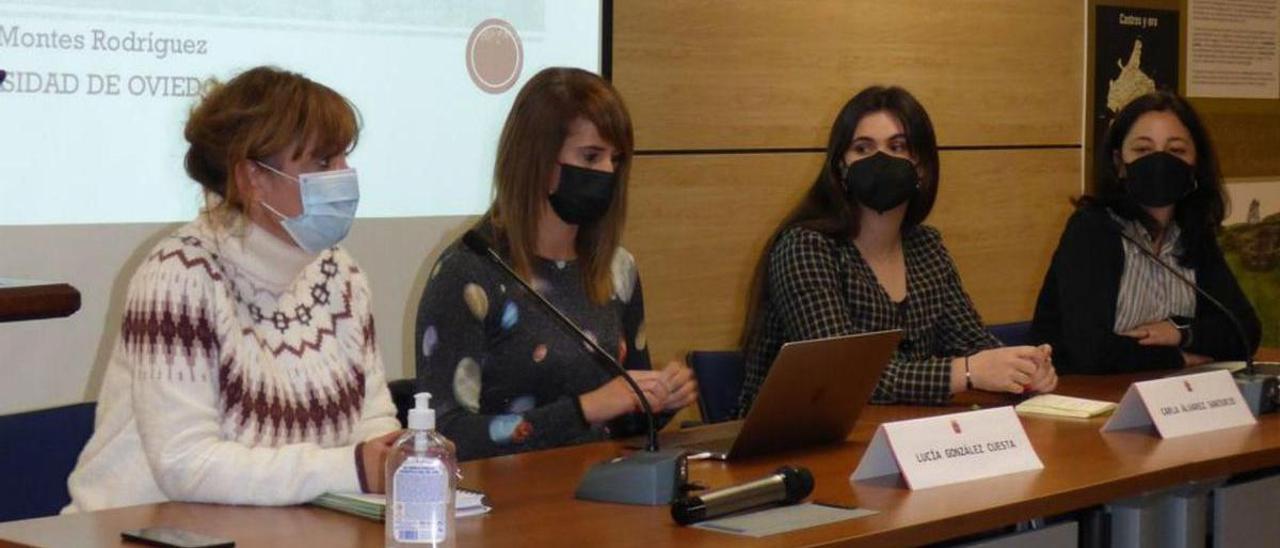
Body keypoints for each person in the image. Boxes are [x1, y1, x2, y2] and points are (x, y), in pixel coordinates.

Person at [65, 67, 400, 512]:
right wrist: (354, 468)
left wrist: (397, 457)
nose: (343, 176)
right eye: (322, 162)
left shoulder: (342, 276)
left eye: (343, 159)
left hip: (282, 530)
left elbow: (372, 423)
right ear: (252, 177)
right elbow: (186, 463)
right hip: (136, 531)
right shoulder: (178, 274)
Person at [414, 67, 697, 461]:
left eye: (616, 160)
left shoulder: (618, 270)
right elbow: (445, 435)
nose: (608, 174)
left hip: (602, 492)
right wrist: (586, 408)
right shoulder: (470, 271)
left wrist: (659, 399)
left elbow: (622, 423)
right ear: (540, 161)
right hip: (503, 505)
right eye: (591, 156)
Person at [737, 85, 1057, 416]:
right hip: (793, 443)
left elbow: (971, 342)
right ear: (840, 168)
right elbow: (844, 378)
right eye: (862, 148)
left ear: (921, 166)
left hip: (897, 435)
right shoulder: (805, 248)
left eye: (897, 146)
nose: (880, 160)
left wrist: (1023, 367)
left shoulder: (926, 247)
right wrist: (968, 372)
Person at [1031, 90, 1260, 374]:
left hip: (1170, 396)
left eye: (1176, 151)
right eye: (1142, 150)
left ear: (1195, 164)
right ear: (1118, 163)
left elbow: (1244, 332)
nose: (1159, 162)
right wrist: (1178, 358)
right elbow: (1091, 351)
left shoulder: (1191, 231)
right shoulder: (1093, 229)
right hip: (1082, 398)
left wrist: (1180, 332)